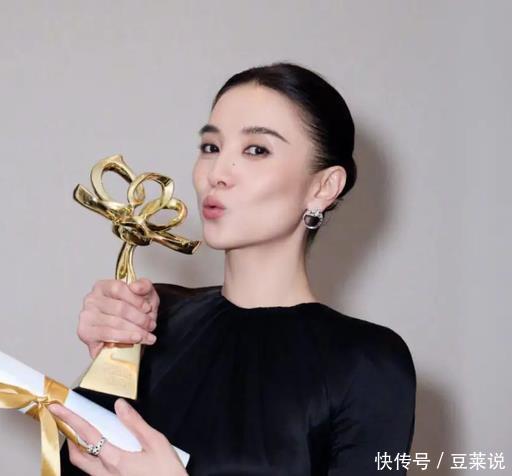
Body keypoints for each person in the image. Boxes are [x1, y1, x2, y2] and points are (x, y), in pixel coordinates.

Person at [49, 62, 417, 475]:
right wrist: (106, 371)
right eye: (211, 147)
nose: (217, 174)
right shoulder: (156, 317)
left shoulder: (369, 363)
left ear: (322, 187)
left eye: (256, 150)